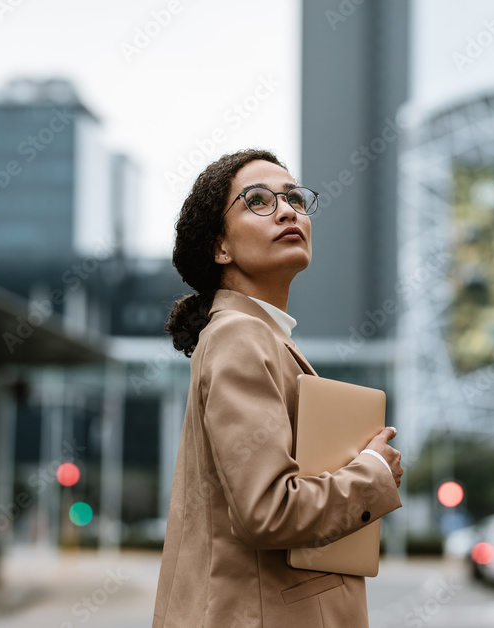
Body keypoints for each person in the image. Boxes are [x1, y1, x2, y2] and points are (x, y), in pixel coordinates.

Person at [153, 148, 404, 628]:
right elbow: (268, 510)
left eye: (294, 198)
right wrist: (372, 473)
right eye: (258, 202)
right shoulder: (239, 336)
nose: (288, 210)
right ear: (220, 248)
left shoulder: (259, 336)